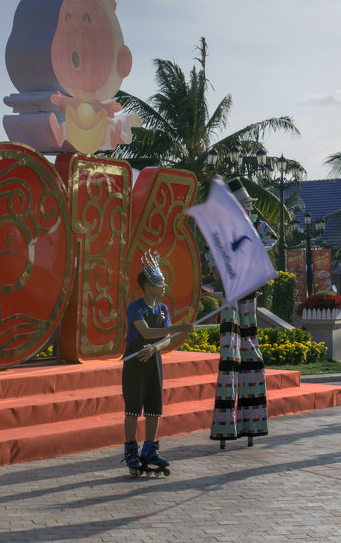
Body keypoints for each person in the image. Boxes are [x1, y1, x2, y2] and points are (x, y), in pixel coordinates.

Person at [210, 178, 275, 449]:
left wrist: (251, 222)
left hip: (247, 300)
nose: (248, 210)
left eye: (249, 207)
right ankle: (226, 427)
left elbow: (271, 237)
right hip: (230, 300)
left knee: (252, 360)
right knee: (230, 362)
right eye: (244, 206)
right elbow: (214, 265)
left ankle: (252, 425)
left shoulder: (253, 232)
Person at [122, 252, 194, 474]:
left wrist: (155, 348)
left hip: (153, 359)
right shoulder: (135, 307)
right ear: (150, 286)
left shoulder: (163, 309)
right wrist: (177, 328)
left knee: (154, 409)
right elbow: (146, 331)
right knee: (133, 409)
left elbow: (165, 340)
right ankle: (131, 451)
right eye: (160, 283)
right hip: (136, 359)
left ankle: (150, 449)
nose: (164, 286)